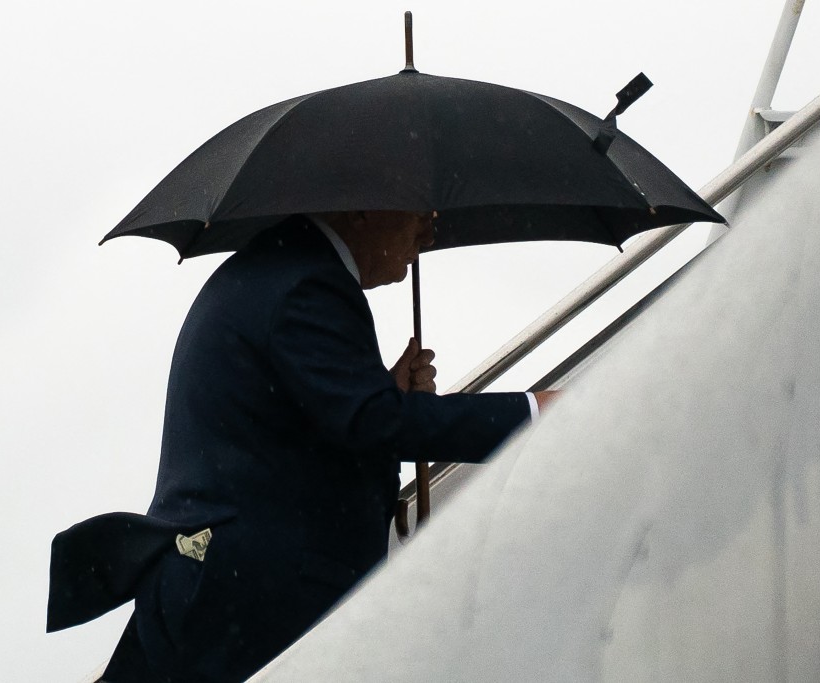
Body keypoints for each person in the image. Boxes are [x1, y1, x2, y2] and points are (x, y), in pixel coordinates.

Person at [47, 210, 555, 682]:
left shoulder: (280, 267)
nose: (429, 233)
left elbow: (305, 433)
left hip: (216, 586)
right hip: (255, 594)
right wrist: (537, 412)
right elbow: (373, 423)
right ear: (363, 207)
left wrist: (382, 395)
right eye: (417, 211)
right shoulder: (308, 284)